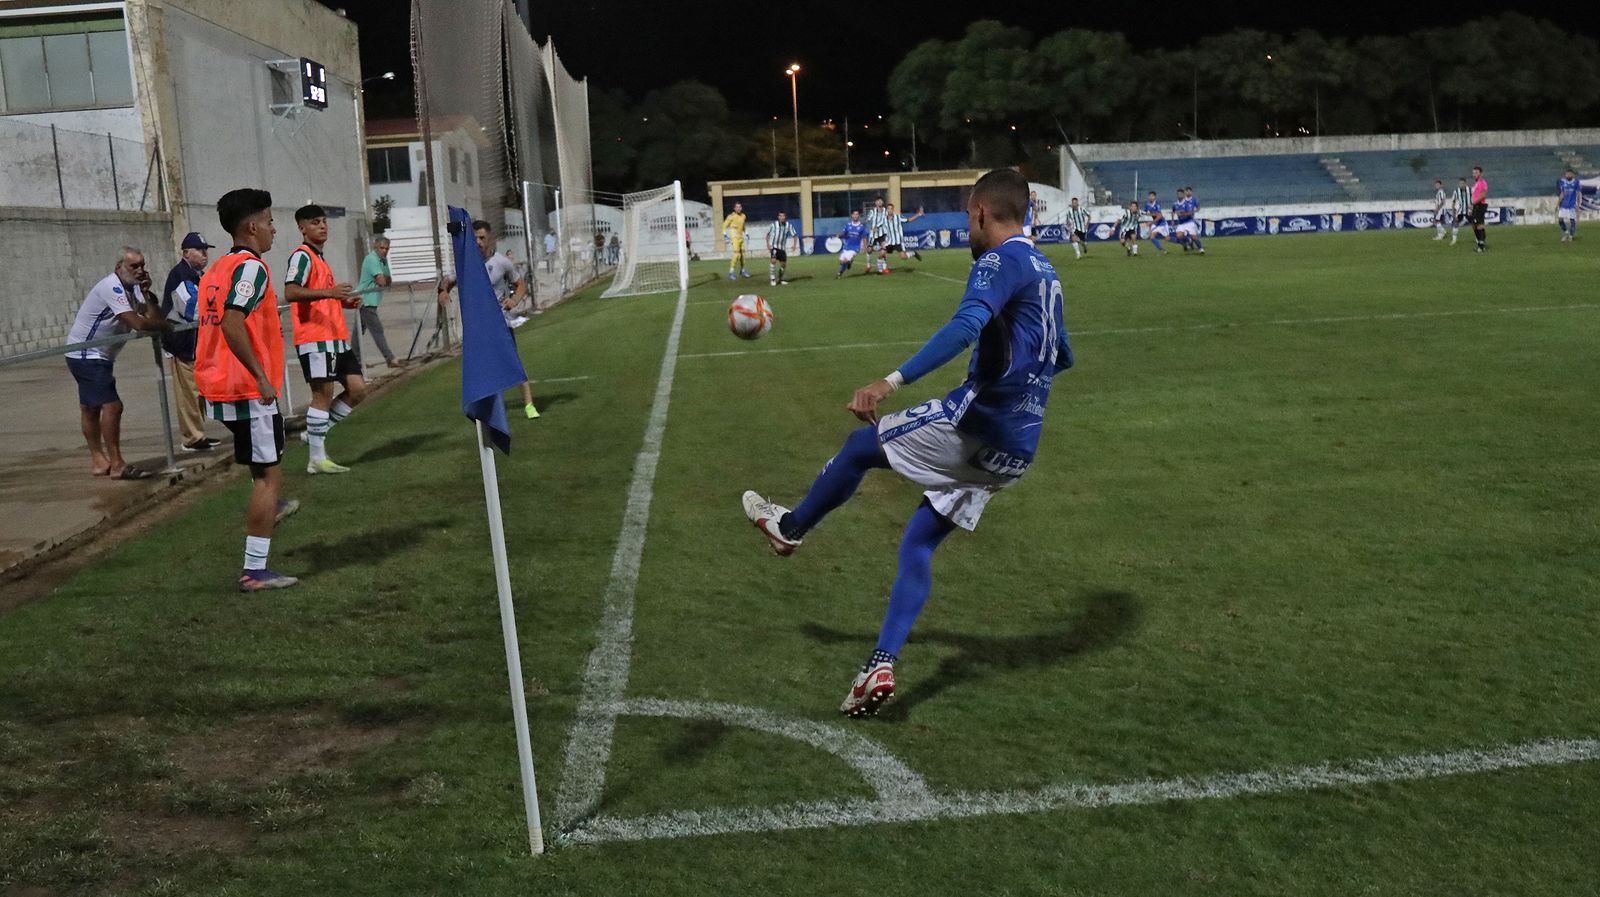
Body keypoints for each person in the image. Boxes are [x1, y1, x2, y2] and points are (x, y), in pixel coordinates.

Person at [742, 168, 1072, 717]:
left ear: (982, 214)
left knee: (858, 446)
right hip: (1016, 452)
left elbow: (968, 324)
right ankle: (880, 664)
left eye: (969, 217)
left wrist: (888, 382)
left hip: (976, 427)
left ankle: (789, 529)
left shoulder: (1000, 259)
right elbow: (1062, 355)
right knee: (918, 542)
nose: (969, 227)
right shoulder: (1047, 270)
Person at [195, 188, 298, 591]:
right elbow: (232, 322)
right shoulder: (252, 269)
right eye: (270, 221)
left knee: (265, 469)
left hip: (219, 383)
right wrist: (259, 376)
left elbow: (208, 320)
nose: (274, 229)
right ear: (252, 226)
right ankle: (254, 570)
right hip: (245, 388)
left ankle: (275, 506)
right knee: (269, 478)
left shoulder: (216, 269)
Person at [65, 247, 172, 479]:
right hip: (86, 354)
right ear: (119, 267)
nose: (140, 270)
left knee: (90, 408)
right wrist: (166, 327)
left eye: (142, 265)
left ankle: (99, 461)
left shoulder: (135, 288)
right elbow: (139, 324)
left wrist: (147, 292)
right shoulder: (111, 286)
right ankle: (117, 464)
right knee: (112, 406)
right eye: (134, 266)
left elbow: (154, 317)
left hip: (99, 356)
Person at [285, 204, 366, 475]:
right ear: (302, 228)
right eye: (315, 222)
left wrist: (343, 302)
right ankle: (316, 459)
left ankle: (316, 434)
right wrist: (331, 291)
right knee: (322, 396)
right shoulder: (302, 256)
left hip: (336, 338)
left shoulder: (320, 258)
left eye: (324, 222)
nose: (322, 226)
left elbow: (320, 297)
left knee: (357, 390)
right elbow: (291, 292)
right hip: (316, 338)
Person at [160, 232, 223, 452]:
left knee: (198, 391)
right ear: (186, 253)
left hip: (194, 344)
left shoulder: (196, 275)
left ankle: (198, 435)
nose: (205, 254)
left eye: (206, 249)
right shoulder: (180, 275)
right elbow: (194, 310)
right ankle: (192, 438)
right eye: (200, 249)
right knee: (188, 394)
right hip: (181, 344)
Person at [476, 219, 539, 418]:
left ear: (490, 238)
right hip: (478, 325)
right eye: (474, 238)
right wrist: (444, 291)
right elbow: (450, 280)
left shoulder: (501, 261)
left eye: (482, 237)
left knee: (512, 362)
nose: (478, 242)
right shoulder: (467, 264)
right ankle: (488, 408)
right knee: (482, 365)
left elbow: (521, 284)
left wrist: (514, 300)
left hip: (500, 322)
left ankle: (529, 405)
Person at [356, 236, 401, 368]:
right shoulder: (372, 259)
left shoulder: (383, 260)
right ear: (375, 247)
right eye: (382, 248)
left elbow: (388, 281)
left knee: (358, 333)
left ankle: (355, 361)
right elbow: (382, 281)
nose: (385, 251)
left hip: (370, 300)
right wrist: (383, 279)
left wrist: (384, 279)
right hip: (366, 300)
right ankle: (390, 358)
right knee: (377, 330)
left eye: (387, 248)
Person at [766, 211, 798, 286]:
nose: (782, 218)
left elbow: (795, 235)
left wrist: (794, 245)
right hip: (774, 247)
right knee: (773, 261)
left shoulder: (788, 225)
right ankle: (773, 279)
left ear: (785, 217)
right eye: (780, 216)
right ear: (778, 217)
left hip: (782, 248)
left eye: (783, 216)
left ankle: (780, 279)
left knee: (783, 265)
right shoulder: (774, 225)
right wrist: (768, 245)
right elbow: (767, 235)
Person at [835, 210, 868, 278]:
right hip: (847, 246)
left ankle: (839, 274)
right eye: (854, 214)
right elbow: (844, 233)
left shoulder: (861, 227)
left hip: (855, 247)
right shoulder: (848, 225)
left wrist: (865, 247)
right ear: (852, 215)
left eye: (857, 214)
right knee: (841, 262)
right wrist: (839, 235)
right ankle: (849, 263)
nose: (855, 216)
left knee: (845, 261)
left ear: (859, 216)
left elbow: (864, 237)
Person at [723, 201, 749, 279]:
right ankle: (731, 272)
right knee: (736, 254)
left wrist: (746, 233)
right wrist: (724, 234)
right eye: (737, 207)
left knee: (743, 255)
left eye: (739, 207)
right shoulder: (731, 216)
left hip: (741, 237)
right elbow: (724, 225)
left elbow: (743, 225)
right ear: (734, 208)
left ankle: (743, 270)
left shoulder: (743, 216)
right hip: (734, 237)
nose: (738, 208)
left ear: (741, 208)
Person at [865, 197, 891, 274]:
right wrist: (866, 221)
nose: (879, 202)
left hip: (883, 233)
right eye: (878, 201)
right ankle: (868, 264)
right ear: (875, 203)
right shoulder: (872, 211)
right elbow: (868, 219)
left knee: (883, 250)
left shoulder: (885, 211)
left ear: (883, 202)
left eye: (881, 201)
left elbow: (886, 220)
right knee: (869, 250)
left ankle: (884, 267)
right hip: (873, 233)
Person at [1557, 168, 1581, 243]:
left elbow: (1578, 194)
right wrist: (1557, 204)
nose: (1568, 175)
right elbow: (1562, 194)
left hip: (1572, 205)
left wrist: (1578, 205)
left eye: (1570, 174)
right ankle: (1566, 233)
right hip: (1564, 205)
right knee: (1560, 220)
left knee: (1572, 221)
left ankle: (1571, 236)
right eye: (1567, 174)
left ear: (1573, 175)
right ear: (1565, 175)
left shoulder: (1576, 182)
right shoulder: (1563, 183)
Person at [1470, 165, 1488, 253]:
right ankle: (1481, 243)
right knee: (1474, 225)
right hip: (1476, 206)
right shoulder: (1477, 183)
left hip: (1480, 205)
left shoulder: (1482, 183)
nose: (1474, 174)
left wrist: (1473, 203)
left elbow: (1483, 195)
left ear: (1480, 173)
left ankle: (1481, 246)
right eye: (1473, 173)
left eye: (1476, 173)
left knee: (1479, 225)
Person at [1450, 177, 1472, 246]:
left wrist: (1473, 208)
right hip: (1460, 211)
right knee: (1455, 224)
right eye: (1460, 183)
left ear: (1466, 183)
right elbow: (1453, 202)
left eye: (1463, 183)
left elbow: (1475, 199)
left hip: (1469, 211)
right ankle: (1454, 240)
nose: (1461, 185)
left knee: (1475, 225)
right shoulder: (1456, 191)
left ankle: (1478, 239)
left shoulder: (1471, 190)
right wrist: (1453, 212)